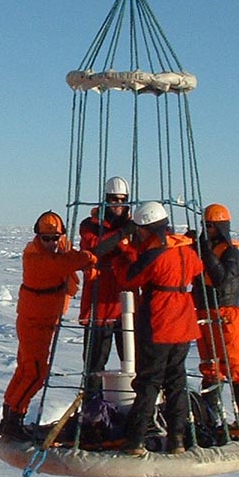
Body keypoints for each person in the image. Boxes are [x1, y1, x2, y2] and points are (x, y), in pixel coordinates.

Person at [0, 211, 98, 441]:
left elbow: (67, 256)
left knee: (25, 370)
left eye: (55, 238)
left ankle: (10, 416)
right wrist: (90, 257)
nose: (52, 243)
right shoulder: (36, 258)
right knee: (34, 373)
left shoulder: (55, 248)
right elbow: (68, 262)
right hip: (34, 322)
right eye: (46, 239)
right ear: (38, 237)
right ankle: (14, 419)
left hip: (42, 320)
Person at [119, 201, 204, 455]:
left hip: (160, 321)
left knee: (149, 381)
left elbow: (129, 278)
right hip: (184, 322)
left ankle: (135, 440)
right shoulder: (185, 250)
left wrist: (123, 258)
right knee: (177, 381)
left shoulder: (153, 254)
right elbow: (198, 269)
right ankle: (177, 439)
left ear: (145, 228)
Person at [191, 203, 239, 428]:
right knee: (210, 367)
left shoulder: (231, 253)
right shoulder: (201, 249)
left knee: (234, 365)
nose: (207, 229)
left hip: (226, 313)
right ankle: (211, 418)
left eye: (211, 226)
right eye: (204, 225)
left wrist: (204, 251)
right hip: (203, 312)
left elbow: (220, 278)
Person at [77, 176, 135, 414]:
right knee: (94, 363)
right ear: (105, 200)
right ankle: (92, 411)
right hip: (99, 303)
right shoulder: (90, 225)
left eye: (122, 200)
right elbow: (95, 250)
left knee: (131, 361)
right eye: (113, 200)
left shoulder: (135, 225)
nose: (117, 204)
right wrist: (123, 236)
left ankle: (132, 409)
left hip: (127, 304)